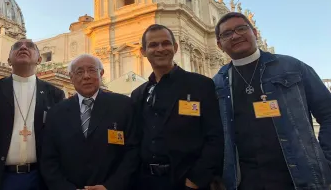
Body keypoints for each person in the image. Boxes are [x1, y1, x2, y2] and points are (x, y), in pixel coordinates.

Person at [213, 12, 331, 190]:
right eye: (227, 34)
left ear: (255, 33)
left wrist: (326, 160)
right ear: (219, 44)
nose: (235, 35)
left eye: (241, 28)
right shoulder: (218, 82)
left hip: (299, 178)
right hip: (244, 181)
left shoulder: (292, 67)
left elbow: (328, 112)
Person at [131, 24, 224, 190]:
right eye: (153, 45)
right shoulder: (138, 93)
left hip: (186, 182)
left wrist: (196, 179)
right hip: (145, 182)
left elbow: (215, 136)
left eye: (165, 43)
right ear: (143, 52)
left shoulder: (201, 85)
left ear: (175, 47)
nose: (160, 49)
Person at [41, 54, 138, 190]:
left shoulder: (123, 106)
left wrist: (110, 186)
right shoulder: (56, 113)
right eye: (79, 72)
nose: (86, 76)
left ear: (101, 73)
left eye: (92, 70)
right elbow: (48, 159)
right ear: (71, 77)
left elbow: (132, 152)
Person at [0, 39, 65, 190]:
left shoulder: (55, 94)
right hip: (1, 177)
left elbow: (60, 138)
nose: (23, 47)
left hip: (40, 178)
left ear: (39, 59)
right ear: (9, 60)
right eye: (17, 46)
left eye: (30, 46)